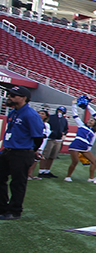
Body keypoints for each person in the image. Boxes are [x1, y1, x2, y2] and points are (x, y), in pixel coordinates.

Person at [0, 86, 45, 220]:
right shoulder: (13, 113)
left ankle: (15, 211)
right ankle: (2, 208)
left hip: (21, 153)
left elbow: (38, 137)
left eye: (13, 95)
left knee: (18, 182)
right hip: (7, 150)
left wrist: (32, 151)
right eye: (9, 95)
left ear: (23, 98)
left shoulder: (30, 115)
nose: (9, 97)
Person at [63, 108, 96, 183]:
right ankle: (68, 176)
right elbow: (75, 115)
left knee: (94, 161)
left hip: (85, 147)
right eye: (89, 120)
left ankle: (91, 177)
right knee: (75, 161)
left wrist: (88, 149)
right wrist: (73, 105)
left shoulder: (94, 133)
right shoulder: (81, 125)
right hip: (76, 145)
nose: (90, 121)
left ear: (95, 123)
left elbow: (91, 143)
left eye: (92, 120)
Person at [37, 106, 67, 178]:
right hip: (50, 138)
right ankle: (41, 170)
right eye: (59, 110)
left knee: (52, 156)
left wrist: (64, 132)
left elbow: (66, 128)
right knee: (45, 155)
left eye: (61, 111)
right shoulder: (52, 117)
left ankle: (47, 170)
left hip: (58, 139)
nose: (60, 112)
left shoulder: (64, 120)